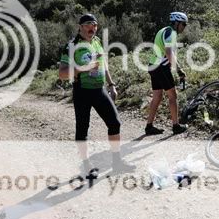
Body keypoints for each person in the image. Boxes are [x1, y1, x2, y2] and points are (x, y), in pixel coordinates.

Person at [59, 13, 133, 173]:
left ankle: (117, 163)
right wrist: (82, 68)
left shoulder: (97, 41)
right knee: (82, 129)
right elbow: (62, 74)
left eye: (94, 25)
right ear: (80, 27)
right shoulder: (71, 45)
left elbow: (103, 64)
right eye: (87, 25)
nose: (91, 28)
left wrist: (111, 84)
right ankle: (86, 165)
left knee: (114, 123)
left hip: (99, 90)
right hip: (82, 91)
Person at [145, 12, 189, 135]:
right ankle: (176, 126)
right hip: (161, 67)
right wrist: (179, 70)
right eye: (183, 24)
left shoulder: (163, 30)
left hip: (153, 66)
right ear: (177, 23)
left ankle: (149, 126)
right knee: (173, 96)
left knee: (157, 97)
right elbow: (169, 52)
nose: (184, 27)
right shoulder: (171, 33)